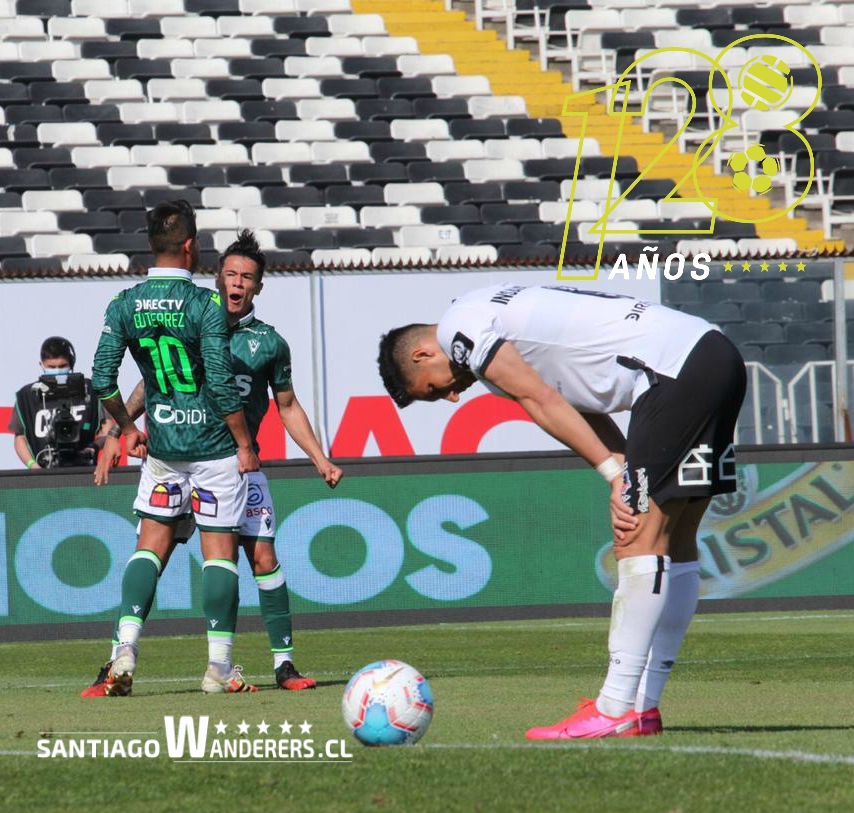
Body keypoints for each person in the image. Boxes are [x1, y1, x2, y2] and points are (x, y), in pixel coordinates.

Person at [377, 283, 746, 739]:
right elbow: (574, 406)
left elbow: (540, 400)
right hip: (711, 354)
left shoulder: (461, 329)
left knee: (636, 538)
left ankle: (614, 709)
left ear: (421, 356)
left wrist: (619, 477)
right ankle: (640, 707)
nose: (452, 398)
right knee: (677, 537)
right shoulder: (482, 313)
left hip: (673, 371)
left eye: (433, 391)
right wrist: (623, 471)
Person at [92, 231, 343, 691]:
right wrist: (115, 430)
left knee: (263, 556)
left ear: (258, 288)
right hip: (209, 457)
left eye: (248, 277)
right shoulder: (193, 318)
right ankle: (121, 661)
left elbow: (287, 405)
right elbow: (151, 382)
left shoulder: (268, 343)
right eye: (230, 273)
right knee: (159, 551)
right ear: (217, 277)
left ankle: (284, 664)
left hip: (239, 463)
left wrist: (319, 458)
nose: (238, 283)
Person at [81, 199, 261, 697]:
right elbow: (223, 386)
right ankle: (218, 668)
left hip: (161, 446)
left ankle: (125, 651)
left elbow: (101, 379)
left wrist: (125, 428)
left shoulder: (125, 303)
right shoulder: (204, 305)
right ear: (190, 246)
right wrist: (244, 443)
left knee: (149, 547)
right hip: (212, 447)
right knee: (219, 554)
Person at [9, 336, 105, 470]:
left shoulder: (90, 390)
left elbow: (107, 427)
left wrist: (93, 447)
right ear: (41, 365)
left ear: (71, 363)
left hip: (84, 471)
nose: (57, 370)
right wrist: (33, 466)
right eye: (51, 367)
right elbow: (20, 438)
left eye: (62, 366)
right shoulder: (27, 396)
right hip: (44, 470)